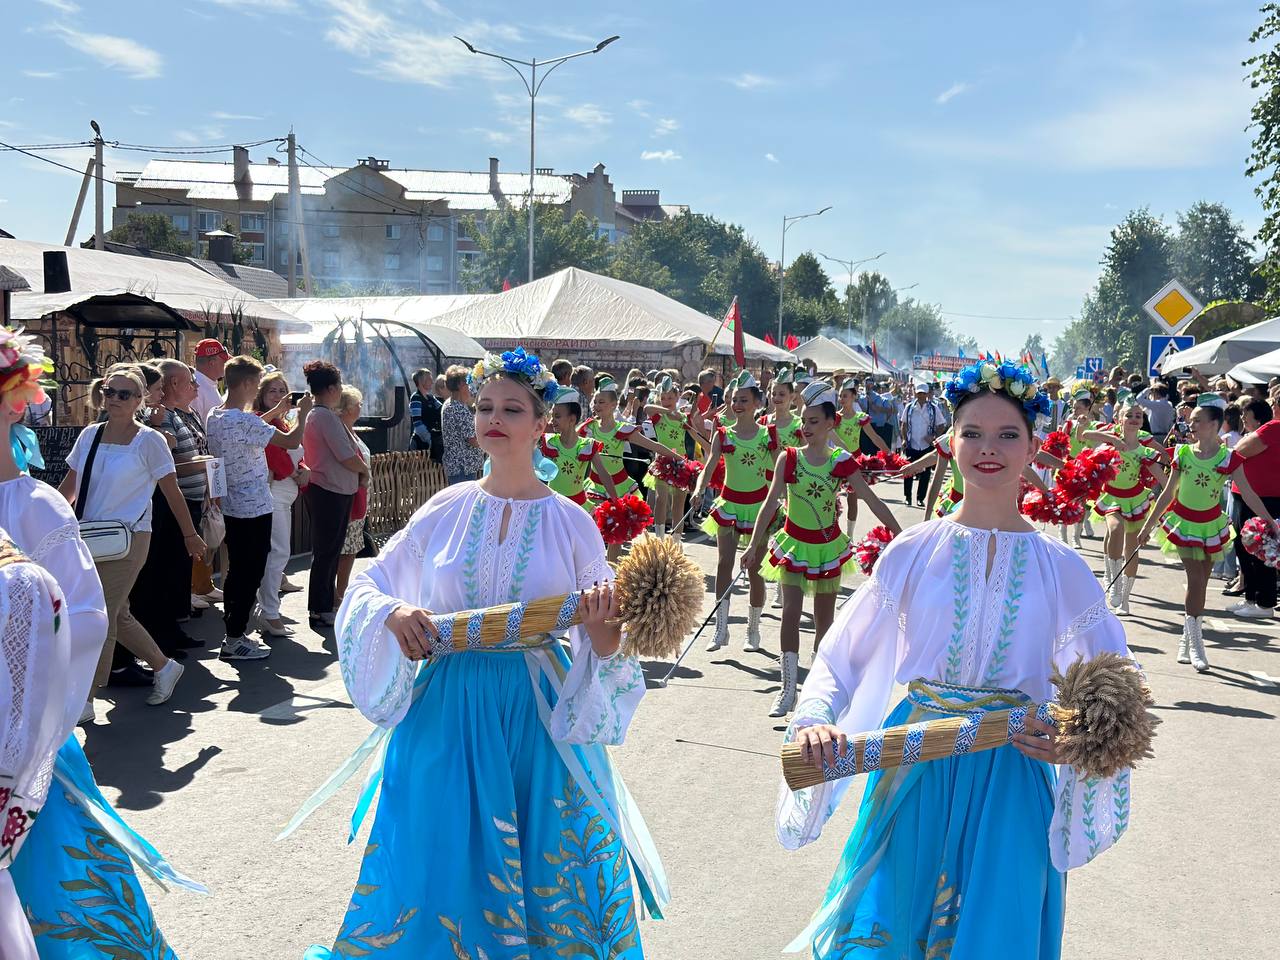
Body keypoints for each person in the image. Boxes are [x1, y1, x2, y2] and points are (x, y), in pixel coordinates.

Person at [303, 347, 666, 958]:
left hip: (536, 717)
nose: (495, 418)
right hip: (445, 711)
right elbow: (369, 583)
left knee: (540, 852)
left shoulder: (572, 522)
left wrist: (606, 622)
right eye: (487, 406)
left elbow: (605, 644)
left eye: (513, 408)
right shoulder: (445, 508)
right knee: (439, 850)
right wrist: (394, 612)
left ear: (541, 423)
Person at [777, 360, 1134, 958]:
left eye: (1007, 435)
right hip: (915, 760)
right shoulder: (913, 551)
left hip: (1013, 772)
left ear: (1035, 447)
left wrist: (1081, 741)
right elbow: (841, 657)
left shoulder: (1064, 570)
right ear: (949, 442)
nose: (987, 448)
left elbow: (1121, 686)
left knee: (996, 931)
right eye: (972, 433)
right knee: (893, 924)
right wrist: (815, 719)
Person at [742, 381, 901, 718]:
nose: (806, 427)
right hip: (794, 545)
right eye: (804, 420)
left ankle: (816, 693)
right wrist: (754, 545)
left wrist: (901, 535)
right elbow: (770, 504)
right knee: (790, 612)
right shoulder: (789, 458)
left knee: (823, 622)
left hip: (827, 548)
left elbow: (872, 500)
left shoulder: (840, 462)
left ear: (830, 424)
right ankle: (787, 690)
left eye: (815, 421)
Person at [59, 364, 206, 715]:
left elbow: (172, 493)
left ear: (140, 399)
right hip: (90, 536)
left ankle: (87, 698)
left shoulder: (150, 440)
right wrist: (44, 523)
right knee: (116, 613)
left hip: (131, 538)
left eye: (124, 394)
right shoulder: (90, 436)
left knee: (102, 615)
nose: (115, 399)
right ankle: (164, 666)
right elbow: (69, 489)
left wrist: (190, 535)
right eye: (109, 392)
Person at [1138, 395, 1277, 671]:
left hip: (1212, 527)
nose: (1191, 426)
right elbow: (1168, 494)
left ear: (1215, 424)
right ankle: (1196, 643)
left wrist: (1269, 520)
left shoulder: (1229, 458)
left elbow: (1248, 494)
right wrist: (1147, 525)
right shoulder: (1183, 454)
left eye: (1197, 421)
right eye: (1191, 422)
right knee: (1196, 580)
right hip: (1184, 524)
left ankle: (1187, 636)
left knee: (1200, 581)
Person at [207, 355, 312, 658]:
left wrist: (277, 411)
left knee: (238, 570)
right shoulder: (243, 420)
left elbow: (249, 428)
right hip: (253, 505)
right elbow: (291, 442)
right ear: (250, 384)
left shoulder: (216, 415)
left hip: (232, 503)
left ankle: (234, 632)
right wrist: (302, 414)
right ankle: (235, 637)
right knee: (249, 572)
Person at [130, 359, 214, 657]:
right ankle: (162, 637)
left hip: (186, 500)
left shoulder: (178, 415)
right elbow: (166, 467)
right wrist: (205, 465)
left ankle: (171, 631)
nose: (196, 386)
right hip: (165, 505)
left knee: (175, 572)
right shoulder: (159, 419)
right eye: (190, 381)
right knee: (162, 574)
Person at [694, 372, 776, 652]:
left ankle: (753, 629)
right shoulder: (723, 434)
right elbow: (709, 465)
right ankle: (721, 628)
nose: (738, 404)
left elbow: (781, 472)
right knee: (723, 564)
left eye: (744, 400)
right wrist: (698, 489)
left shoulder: (768, 435)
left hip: (759, 508)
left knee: (755, 571)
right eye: (734, 399)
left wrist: (787, 500)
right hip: (728, 504)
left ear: (756, 403)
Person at [580, 378, 679, 561]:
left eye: (602, 401)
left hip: (620, 487)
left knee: (615, 536)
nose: (597, 405)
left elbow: (652, 445)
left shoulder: (622, 430)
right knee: (594, 535)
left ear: (613, 404)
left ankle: (610, 576)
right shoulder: (588, 428)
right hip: (595, 487)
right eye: (595, 401)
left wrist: (678, 457)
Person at [1084, 401, 1168, 617]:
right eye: (1129, 415)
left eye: (1138, 416)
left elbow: (1164, 480)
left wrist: (1176, 496)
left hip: (1136, 499)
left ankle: (1126, 598)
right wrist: (1112, 439)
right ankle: (1113, 580)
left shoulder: (1144, 451)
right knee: (1115, 529)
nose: (1133, 419)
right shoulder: (1109, 443)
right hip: (1112, 497)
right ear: (1119, 419)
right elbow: (1085, 434)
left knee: (1131, 548)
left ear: (1142, 421)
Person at [302, 360, 367, 628]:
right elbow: (345, 456)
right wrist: (364, 470)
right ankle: (320, 607)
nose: (341, 390)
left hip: (332, 489)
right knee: (327, 552)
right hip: (329, 490)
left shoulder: (321, 414)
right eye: (338, 385)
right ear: (330, 387)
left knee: (328, 551)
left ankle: (324, 603)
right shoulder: (324, 416)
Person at [253, 371, 310, 638]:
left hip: (285, 494)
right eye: (272, 391)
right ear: (261, 395)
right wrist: (294, 471)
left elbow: (294, 452)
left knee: (275, 553)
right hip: (273, 493)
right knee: (278, 553)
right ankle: (270, 613)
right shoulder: (261, 422)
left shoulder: (283, 423)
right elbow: (275, 456)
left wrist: (302, 469)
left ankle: (267, 608)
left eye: (281, 390)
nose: (278, 396)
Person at [1228, 397, 1280, 619]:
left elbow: (1237, 452)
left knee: (1259, 548)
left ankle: (1264, 602)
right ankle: (1252, 597)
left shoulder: (1273, 427)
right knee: (1245, 548)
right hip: (1249, 495)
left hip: (1260, 497)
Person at [541, 387, 617, 508]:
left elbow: (603, 474)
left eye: (557, 416)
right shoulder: (549, 442)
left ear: (572, 419)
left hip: (579, 507)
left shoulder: (587, 445)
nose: (552, 421)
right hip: (554, 506)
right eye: (551, 416)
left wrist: (616, 502)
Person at [832, 378, 889, 535]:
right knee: (831, 497)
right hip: (836, 460)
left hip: (854, 461)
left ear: (853, 397)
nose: (842, 399)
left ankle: (849, 536)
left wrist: (889, 453)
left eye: (845, 396)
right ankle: (832, 533)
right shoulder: (835, 418)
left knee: (852, 499)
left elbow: (874, 437)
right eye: (841, 396)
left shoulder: (860, 418)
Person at [334, 386, 371, 609]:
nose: (360, 408)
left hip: (359, 494)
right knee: (344, 549)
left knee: (352, 547)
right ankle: (338, 594)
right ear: (347, 408)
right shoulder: (341, 431)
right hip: (349, 494)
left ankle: (341, 591)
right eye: (358, 404)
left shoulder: (350, 430)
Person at [441, 364, 484, 485]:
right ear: (460, 384)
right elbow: (473, 440)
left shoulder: (449, 404)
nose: (470, 386)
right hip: (463, 467)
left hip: (458, 466)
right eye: (467, 382)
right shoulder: (458, 408)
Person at [901, 381, 941, 506]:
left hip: (926, 445)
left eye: (923, 393)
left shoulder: (934, 408)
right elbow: (904, 424)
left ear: (927, 394)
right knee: (908, 470)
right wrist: (903, 439)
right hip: (911, 444)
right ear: (915, 394)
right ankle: (907, 496)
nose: (921, 396)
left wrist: (934, 437)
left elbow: (941, 424)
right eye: (919, 393)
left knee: (925, 473)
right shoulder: (909, 407)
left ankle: (920, 498)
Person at [407, 367, 443, 461]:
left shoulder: (431, 397)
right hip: (420, 444)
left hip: (431, 442)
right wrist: (429, 439)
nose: (432, 382)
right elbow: (417, 423)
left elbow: (442, 409)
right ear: (422, 381)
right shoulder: (416, 398)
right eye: (429, 379)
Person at [191, 338, 229, 423]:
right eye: (224, 361)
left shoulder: (208, 383)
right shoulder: (196, 388)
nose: (226, 365)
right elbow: (196, 424)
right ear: (212, 362)